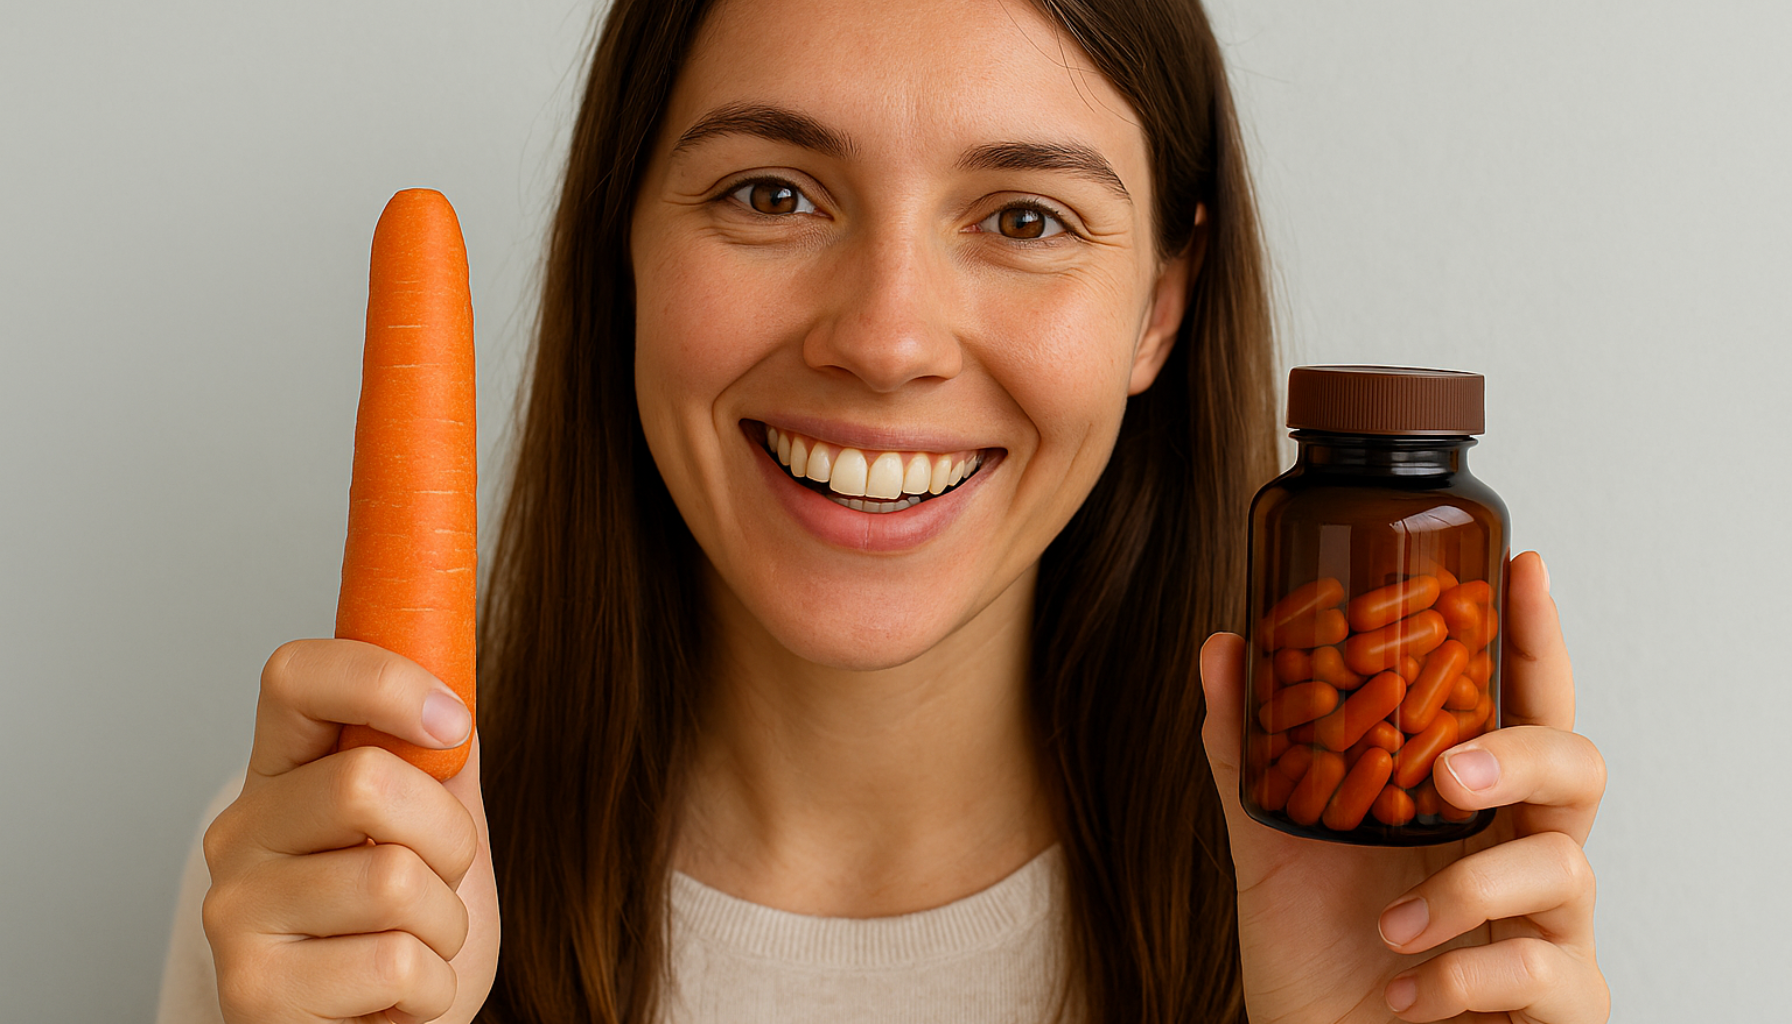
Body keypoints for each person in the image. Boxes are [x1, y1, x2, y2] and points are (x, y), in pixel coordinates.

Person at [164, 0, 1609, 1021]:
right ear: (625, 248)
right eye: (774, 192)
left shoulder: (1388, 913)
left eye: (1025, 218)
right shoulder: (344, 873)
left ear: (1161, 306)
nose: (886, 336)